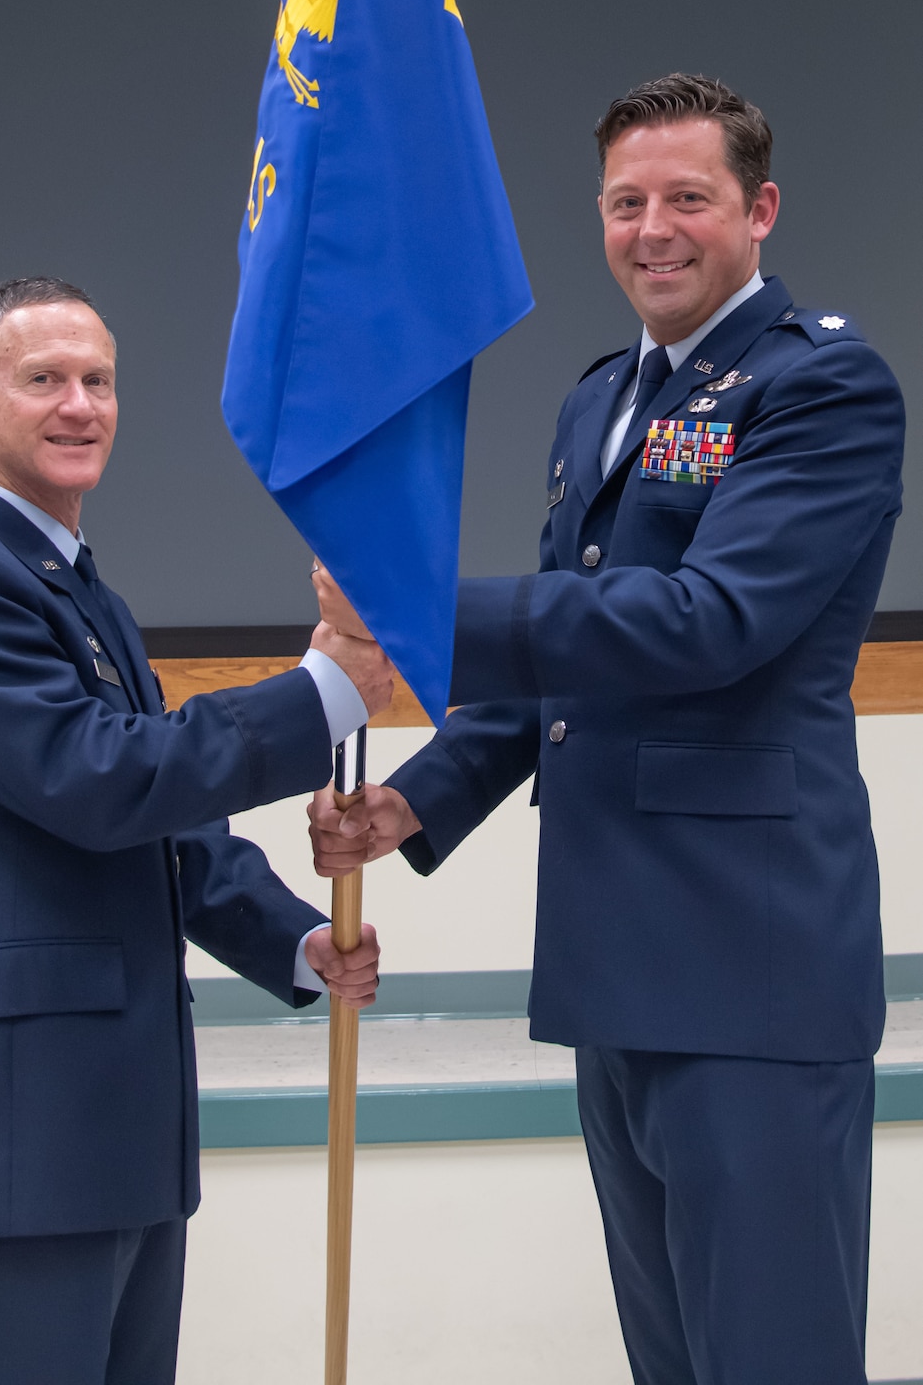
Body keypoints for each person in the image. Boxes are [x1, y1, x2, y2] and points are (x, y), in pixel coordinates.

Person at [309, 74, 905, 1385]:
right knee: (674, 1361)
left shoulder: (821, 387)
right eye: (625, 202)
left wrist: (411, 610)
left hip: (749, 969)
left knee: (770, 1356)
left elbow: (704, 622)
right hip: (612, 963)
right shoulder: (599, 402)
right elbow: (571, 659)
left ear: (758, 211)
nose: (653, 229)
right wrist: (417, 798)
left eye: (687, 198)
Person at [0, 274, 391, 1385]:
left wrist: (294, 939)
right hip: (28, 1121)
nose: (79, 405)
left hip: (120, 1121)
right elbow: (100, 780)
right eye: (42, 379)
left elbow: (160, 828)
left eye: (98, 380)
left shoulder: (77, 588)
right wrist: (319, 694)